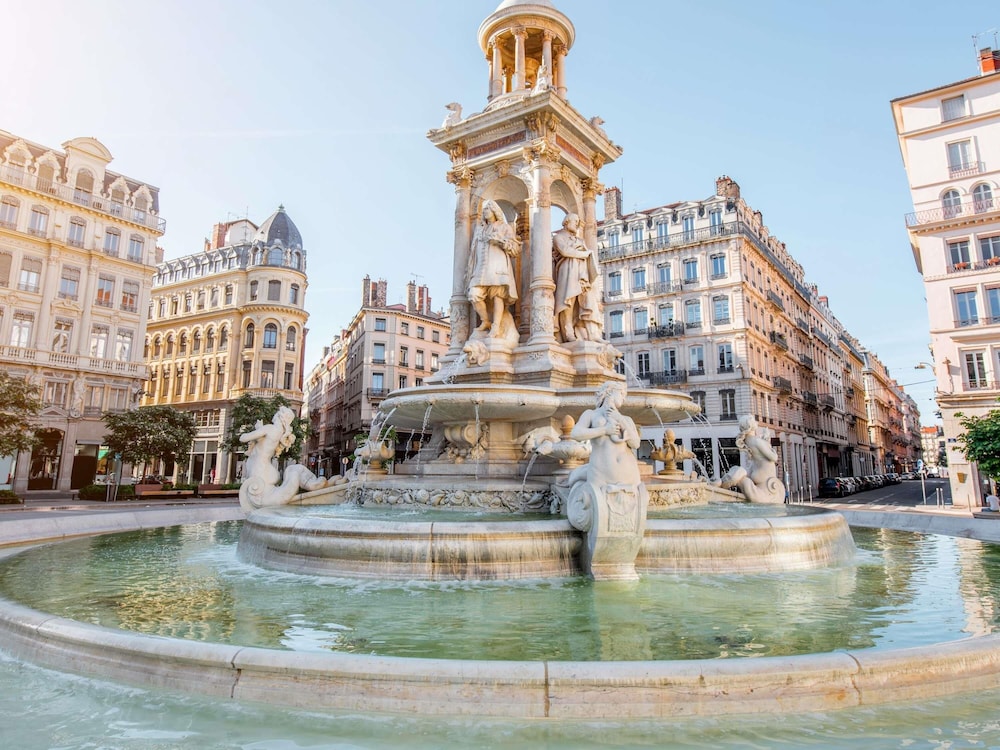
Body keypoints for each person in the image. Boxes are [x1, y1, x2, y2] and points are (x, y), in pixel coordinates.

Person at [569, 381, 641, 487]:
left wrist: (620, 419)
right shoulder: (591, 414)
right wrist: (605, 430)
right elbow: (575, 434)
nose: (624, 399)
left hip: (629, 474)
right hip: (602, 473)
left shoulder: (626, 419)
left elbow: (636, 444)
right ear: (610, 392)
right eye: (622, 394)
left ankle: (580, 473)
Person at [467, 200, 519, 338]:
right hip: (481, 269)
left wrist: (500, 242)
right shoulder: (480, 229)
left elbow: (515, 249)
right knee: (474, 294)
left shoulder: (504, 227)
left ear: (495, 211)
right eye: (484, 210)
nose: (485, 212)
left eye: (487, 209)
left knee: (498, 296)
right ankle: (485, 321)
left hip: (498, 266)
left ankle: (496, 326)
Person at [553, 213, 600, 342]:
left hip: (582, 272)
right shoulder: (558, 237)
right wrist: (584, 253)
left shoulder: (580, 240)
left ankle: (592, 334)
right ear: (567, 222)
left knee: (588, 300)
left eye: (579, 223)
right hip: (567, 270)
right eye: (575, 222)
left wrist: (583, 252)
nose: (577, 225)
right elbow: (565, 251)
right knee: (568, 300)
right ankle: (568, 332)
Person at [238, 406, 296, 486]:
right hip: (268, 470)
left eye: (277, 413)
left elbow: (243, 438)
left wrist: (256, 430)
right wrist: (260, 429)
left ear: (279, 416)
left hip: (257, 468)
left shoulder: (269, 428)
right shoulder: (280, 434)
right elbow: (265, 443)